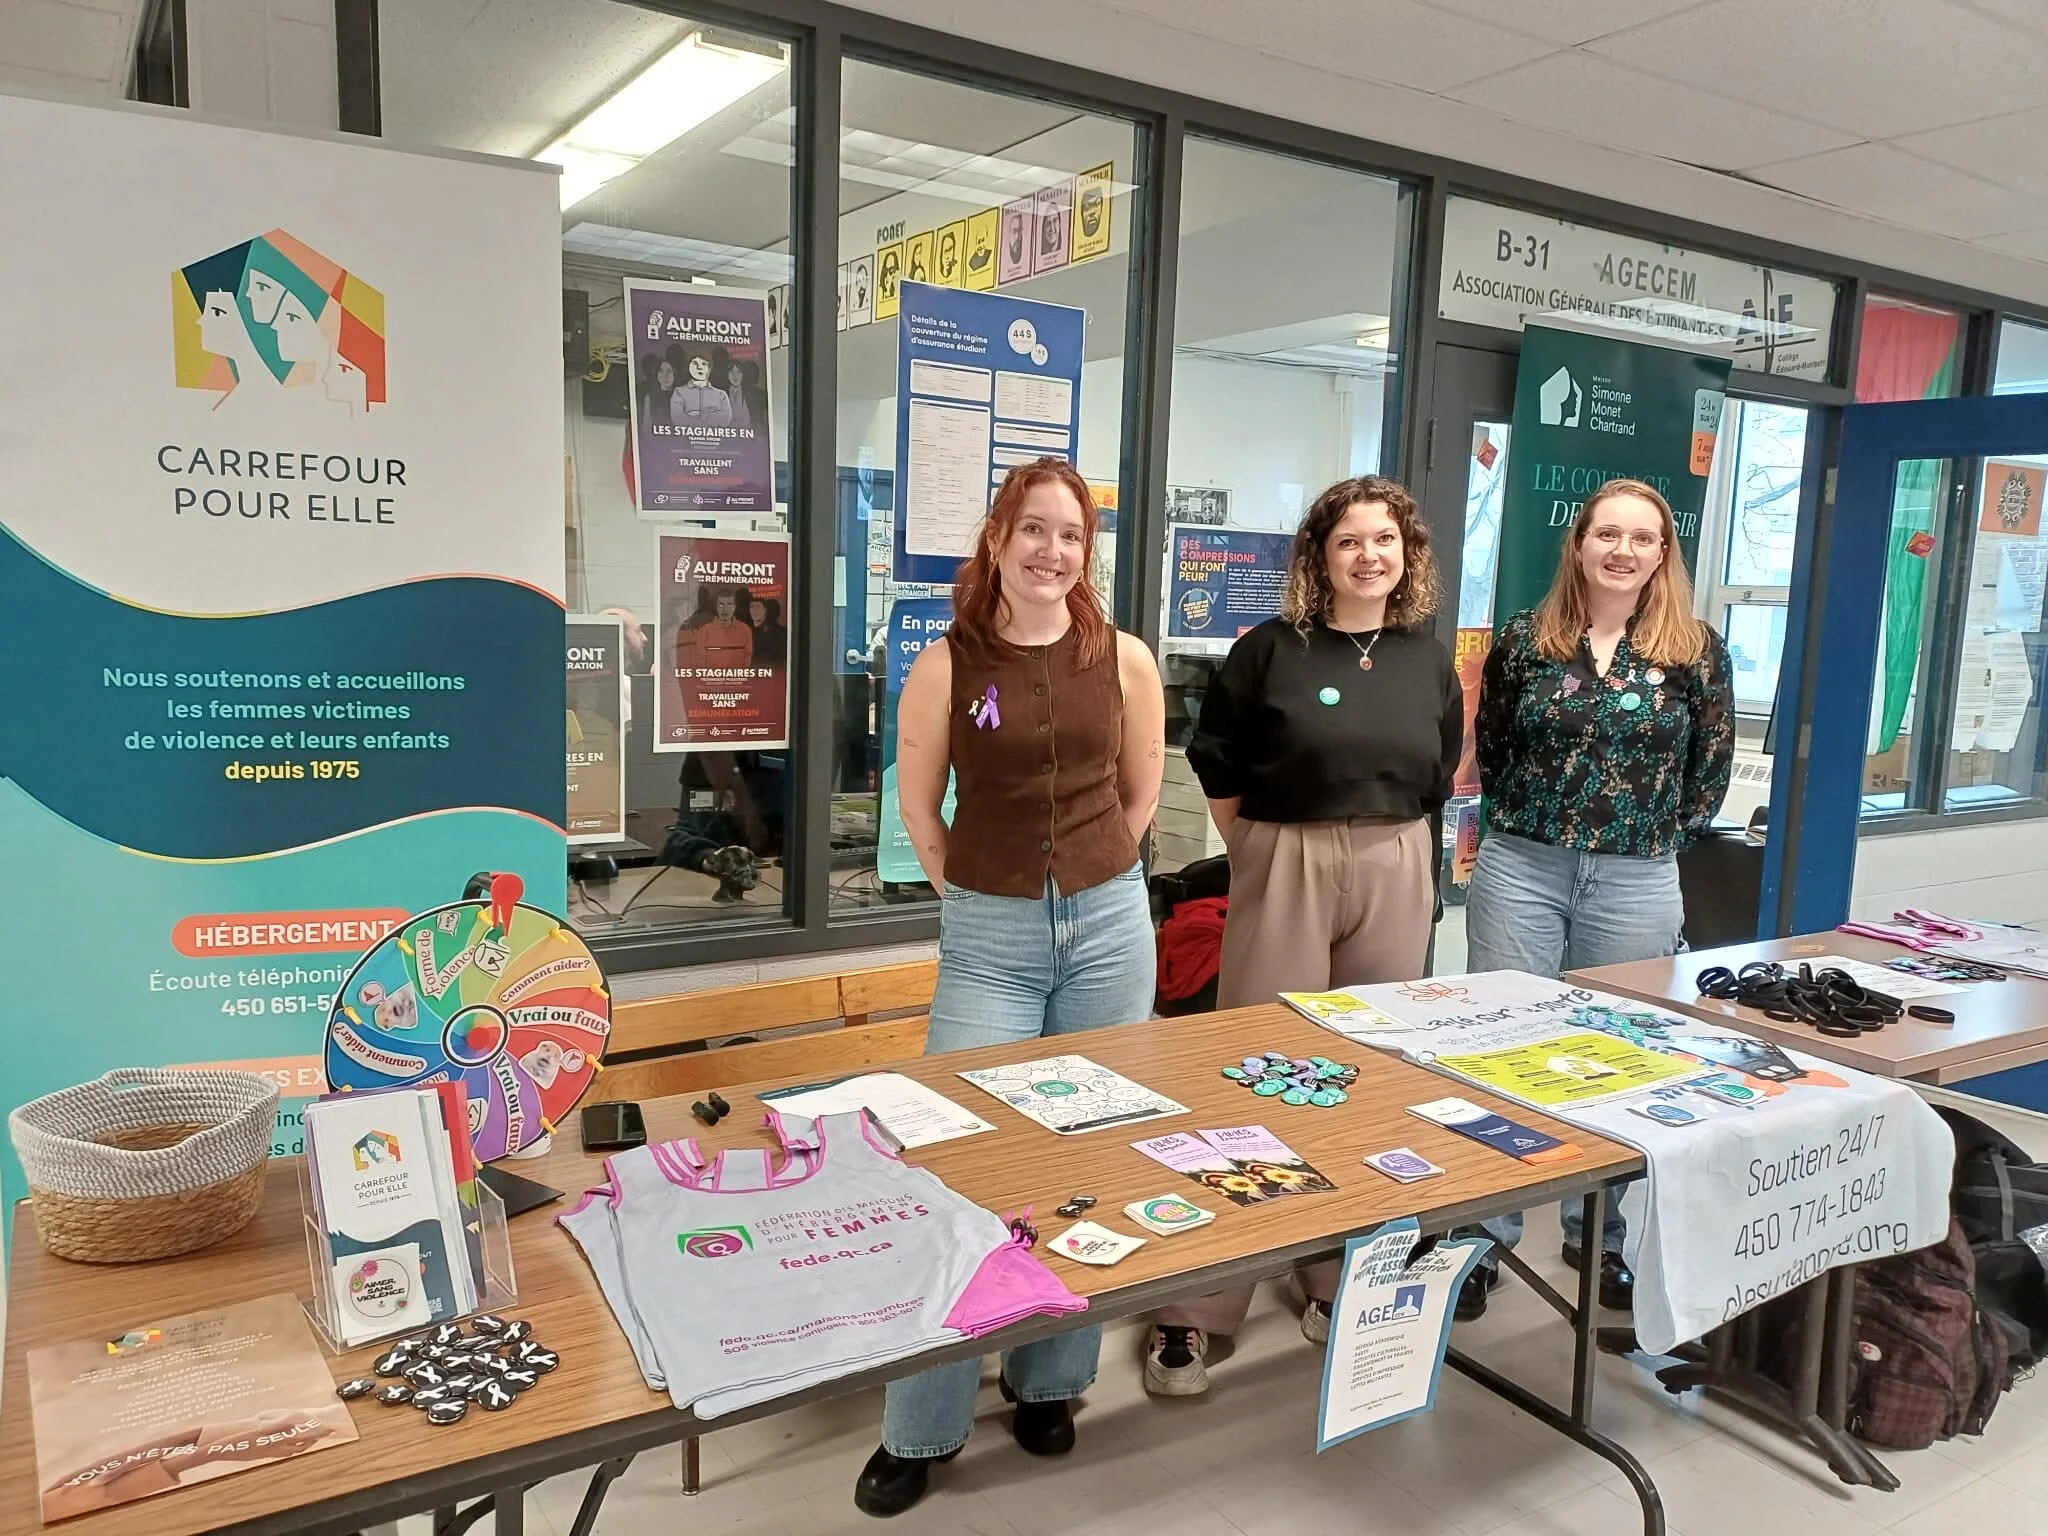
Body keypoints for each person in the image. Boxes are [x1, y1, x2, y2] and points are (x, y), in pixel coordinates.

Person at [853, 456, 1165, 1518]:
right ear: (997, 539)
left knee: (1086, 1153)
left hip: (1109, 929)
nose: (1050, 551)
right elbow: (919, 802)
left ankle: (1050, 1379)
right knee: (959, 1165)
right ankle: (920, 1426)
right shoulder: (947, 661)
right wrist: (974, 894)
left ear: (1087, 552)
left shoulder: (1122, 658)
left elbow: (1139, 795)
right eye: (1033, 529)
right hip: (989, 935)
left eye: (1070, 535)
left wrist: (1089, 881)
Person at [1144, 476, 1462, 1396]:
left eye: (1385, 540)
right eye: (1349, 541)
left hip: (1395, 858)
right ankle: (1201, 1307)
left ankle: (1332, 1278)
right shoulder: (1269, 649)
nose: (1369, 556)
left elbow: (1441, 766)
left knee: (1368, 1079)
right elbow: (1216, 759)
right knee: (1257, 1074)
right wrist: (1257, 848)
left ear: (1408, 555)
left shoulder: (1425, 657)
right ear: (1319, 556)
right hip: (1285, 853)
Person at [1465, 478, 1734, 1317]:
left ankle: (1602, 1234)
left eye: (1642, 538)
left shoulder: (1696, 650)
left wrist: (1643, 838)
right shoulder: (1525, 640)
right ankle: (1484, 1237)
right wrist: (1543, 822)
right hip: (1523, 867)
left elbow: (1709, 775)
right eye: (1607, 534)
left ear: (1663, 553)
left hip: (1636, 877)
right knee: (1499, 1046)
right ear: (1578, 544)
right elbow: (1494, 747)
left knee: (1618, 1056)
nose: (1623, 550)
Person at [670, 349, 733, 428]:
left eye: (704, 364)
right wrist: (711, 415)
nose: (699, 367)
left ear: (709, 368)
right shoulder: (679, 392)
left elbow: (725, 419)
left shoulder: (721, 395)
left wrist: (696, 414)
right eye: (695, 363)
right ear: (688, 367)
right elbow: (678, 419)